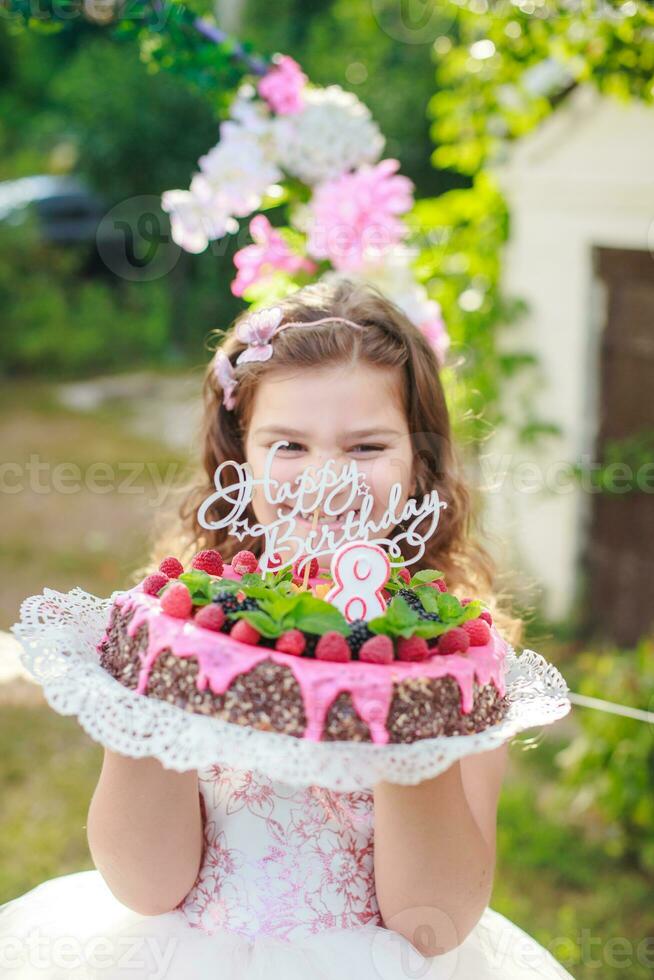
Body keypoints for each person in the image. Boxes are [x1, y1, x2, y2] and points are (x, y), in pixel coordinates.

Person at [0, 277, 574, 978]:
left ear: (421, 465)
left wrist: (402, 708)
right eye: (288, 446)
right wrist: (154, 694)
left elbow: (436, 924)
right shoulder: (190, 631)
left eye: (366, 448)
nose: (325, 478)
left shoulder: (458, 662)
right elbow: (145, 885)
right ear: (239, 453)